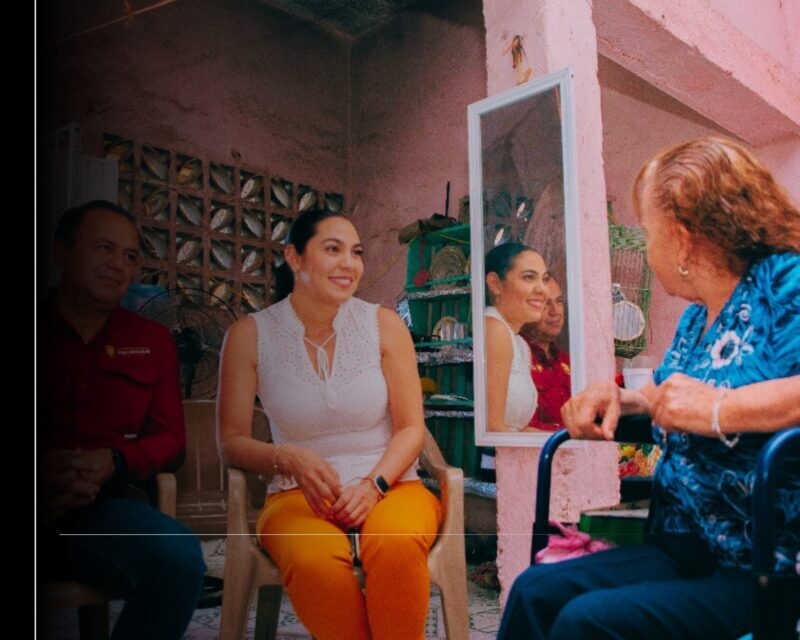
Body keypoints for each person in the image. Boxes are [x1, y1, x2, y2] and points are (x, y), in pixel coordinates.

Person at [498, 136, 800, 640]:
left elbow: (710, 402)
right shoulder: (695, 319)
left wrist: (722, 408)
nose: (646, 244)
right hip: (680, 547)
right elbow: (670, 396)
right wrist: (621, 398)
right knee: (535, 590)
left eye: (647, 231)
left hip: (760, 565)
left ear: (681, 239)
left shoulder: (785, 283)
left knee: (585, 623)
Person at [217, 209, 441, 640]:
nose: (349, 264)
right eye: (332, 249)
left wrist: (374, 485)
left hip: (392, 485)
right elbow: (231, 441)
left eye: (356, 253)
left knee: (395, 544)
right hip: (296, 495)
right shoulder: (250, 334)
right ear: (295, 258)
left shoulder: (384, 325)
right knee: (313, 560)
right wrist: (287, 457)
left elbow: (412, 428)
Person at [38, 200, 206, 640]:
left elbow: (171, 440)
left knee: (180, 557)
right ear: (61, 253)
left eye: (130, 256)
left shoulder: (151, 342)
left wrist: (113, 461)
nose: (118, 265)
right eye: (104, 248)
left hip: (96, 514)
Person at [484, 242, 548, 432]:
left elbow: (518, 430)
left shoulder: (519, 343)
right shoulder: (494, 329)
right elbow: (493, 428)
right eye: (529, 278)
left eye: (544, 279)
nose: (542, 290)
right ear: (495, 284)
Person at [521, 278, 571, 431]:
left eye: (559, 301)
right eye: (545, 303)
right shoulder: (518, 357)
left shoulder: (567, 361)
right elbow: (522, 429)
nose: (555, 312)